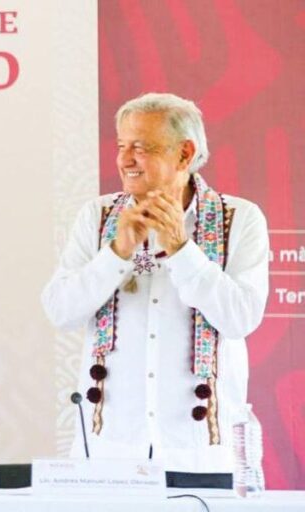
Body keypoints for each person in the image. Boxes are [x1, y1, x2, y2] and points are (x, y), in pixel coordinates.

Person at [41, 93, 269, 478]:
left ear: (184, 154)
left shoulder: (240, 218)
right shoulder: (97, 217)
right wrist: (117, 252)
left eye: (141, 148)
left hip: (201, 454)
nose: (125, 160)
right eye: (121, 146)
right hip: (107, 450)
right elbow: (59, 311)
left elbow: (241, 319)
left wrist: (182, 250)